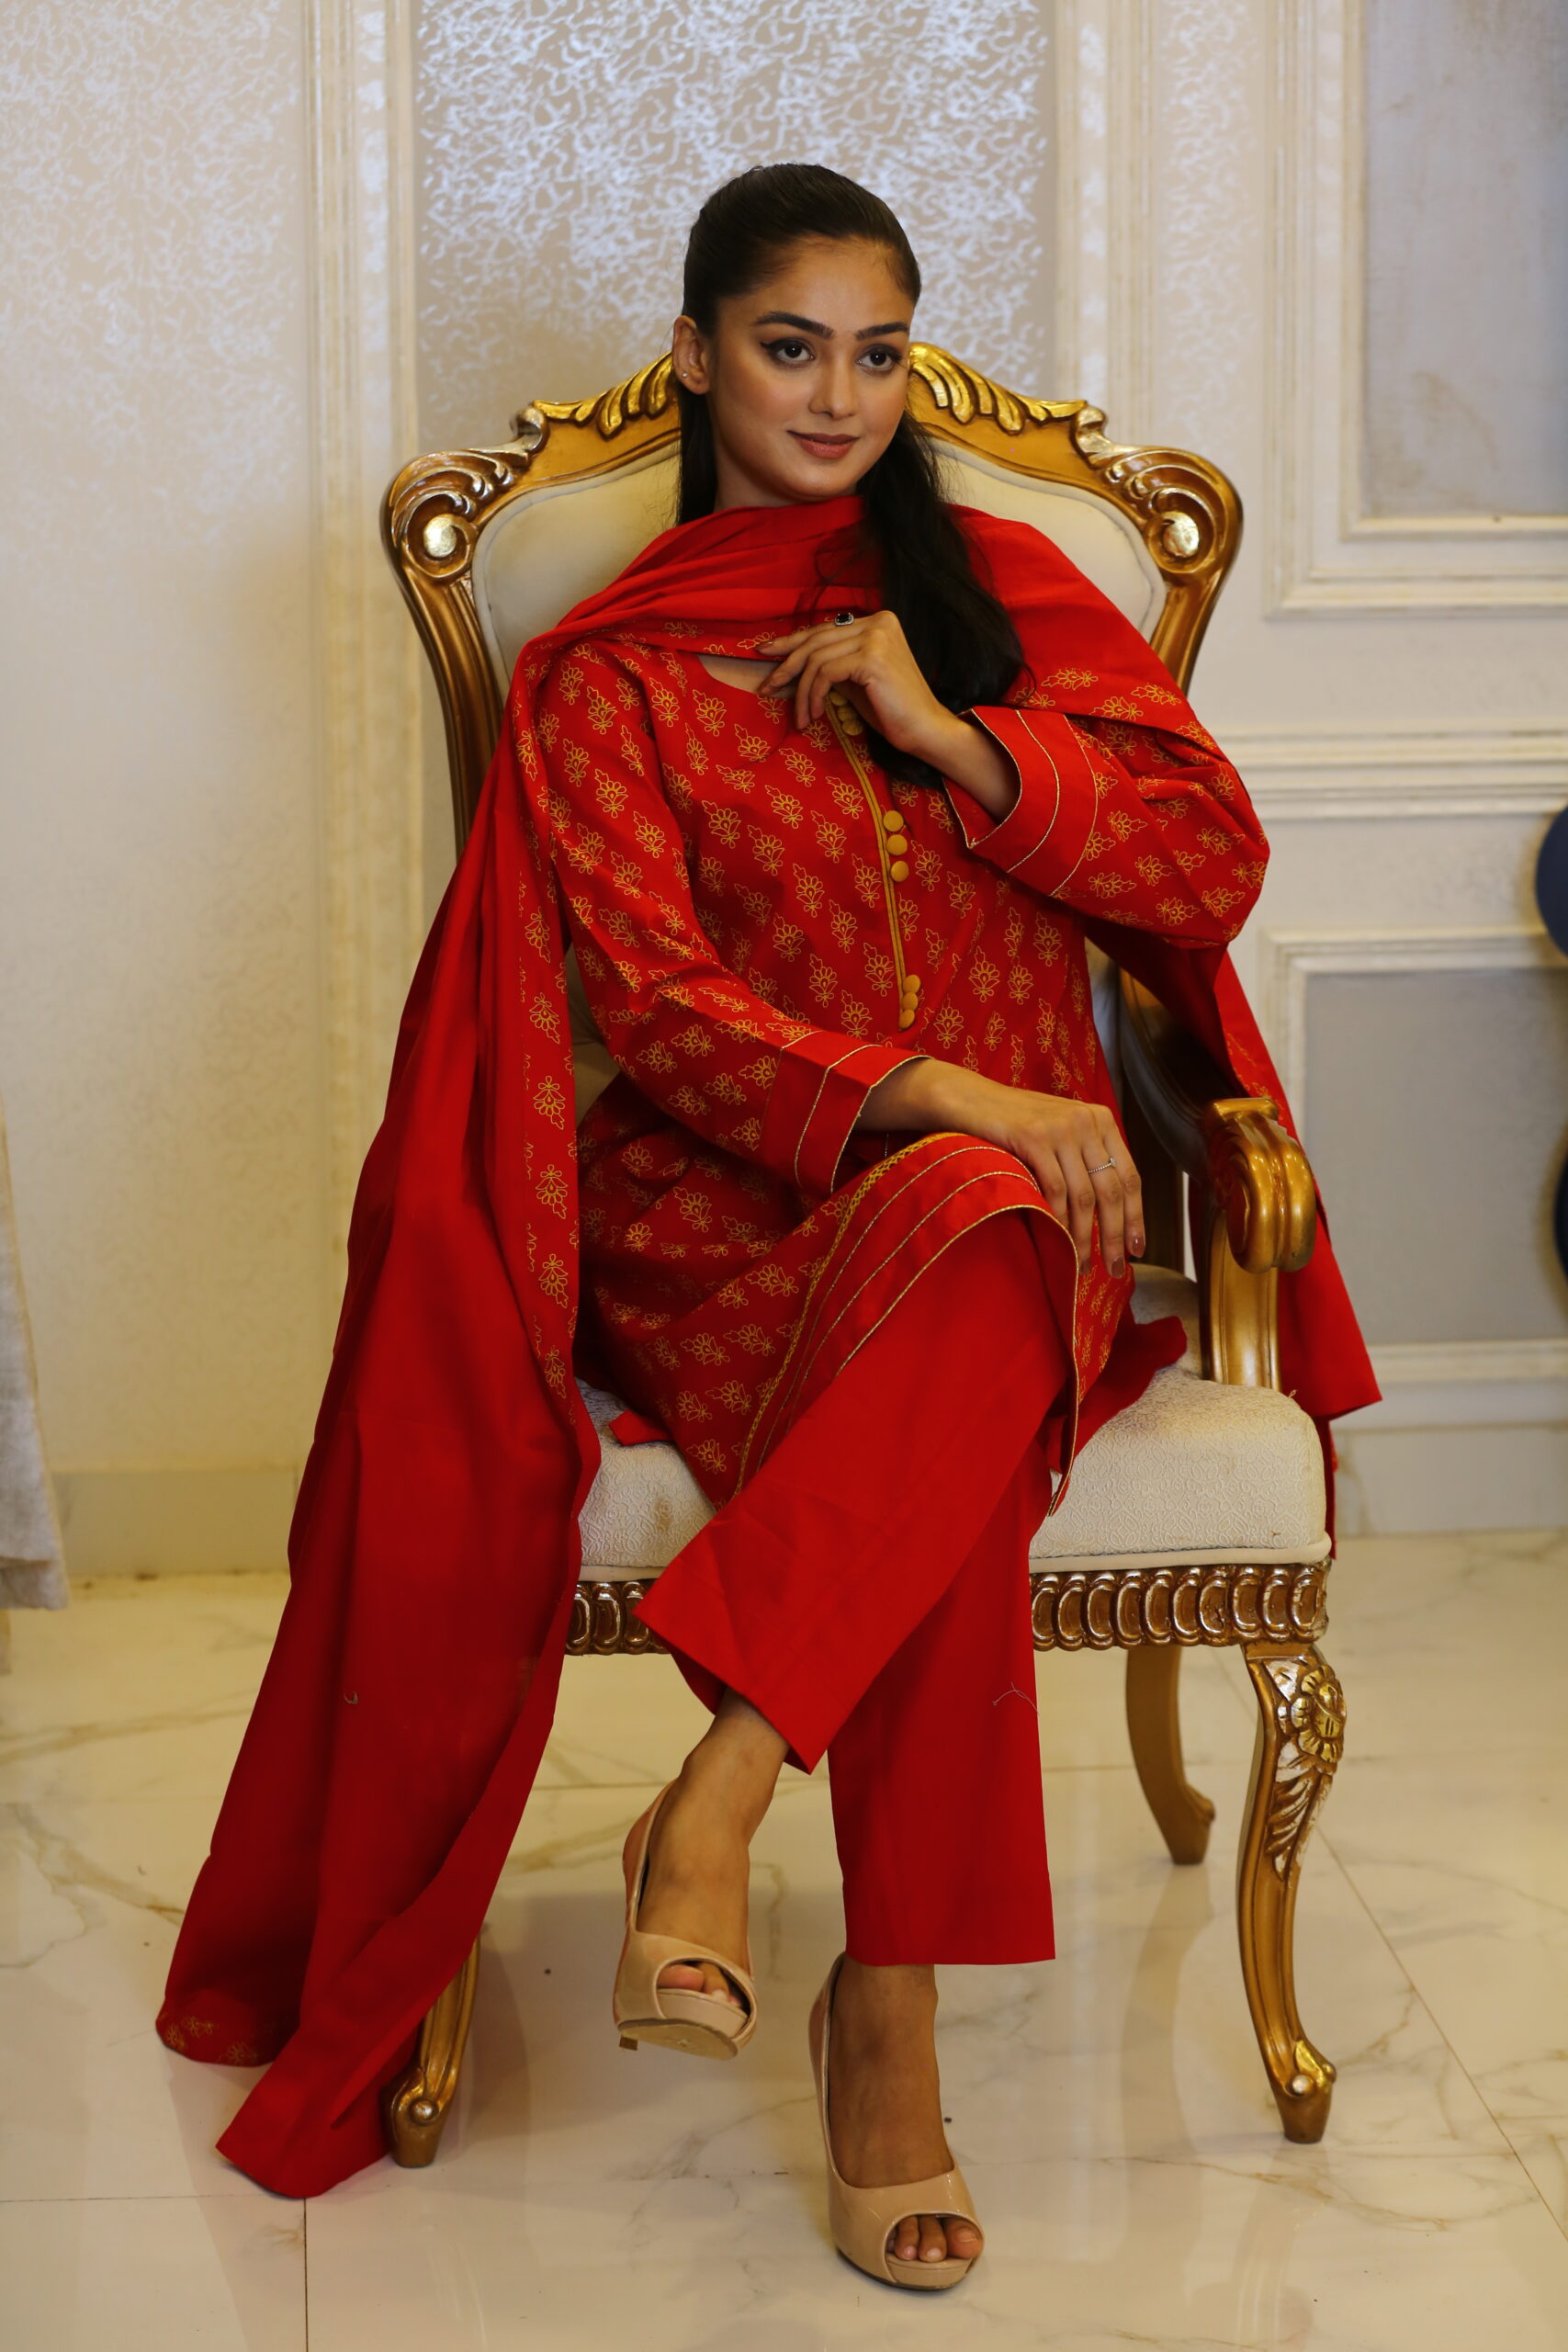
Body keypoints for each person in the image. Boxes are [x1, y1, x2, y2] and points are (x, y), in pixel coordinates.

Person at [157, 164, 1376, 2283]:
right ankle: (879, 2031)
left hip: (1016, 1221)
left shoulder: (1002, 604)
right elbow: (653, 1012)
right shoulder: (611, 673)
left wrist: (952, 733)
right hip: (724, 1218)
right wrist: (965, 1096)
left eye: (875, 353)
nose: (834, 395)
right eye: (788, 346)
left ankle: (716, 1794)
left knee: (986, 1232)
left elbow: (1200, 866)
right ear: (696, 352)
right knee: (979, 1236)